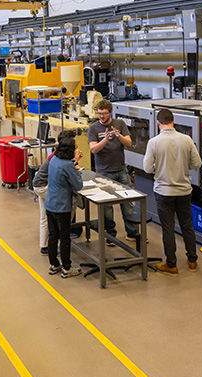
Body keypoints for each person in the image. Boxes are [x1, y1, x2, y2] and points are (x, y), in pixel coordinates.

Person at [143, 108, 202, 274]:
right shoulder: (186, 139)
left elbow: (147, 168)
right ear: (173, 121)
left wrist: (160, 168)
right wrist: (183, 166)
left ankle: (171, 263)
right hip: (184, 191)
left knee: (168, 228)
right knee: (187, 226)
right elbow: (197, 164)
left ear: (158, 123)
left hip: (163, 192)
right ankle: (192, 260)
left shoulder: (154, 142)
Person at [88, 99, 139, 240]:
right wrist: (105, 140)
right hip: (103, 172)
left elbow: (128, 143)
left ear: (110, 112)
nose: (101, 117)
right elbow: (93, 150)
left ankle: (132, 233)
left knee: (128, 203)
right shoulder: (93, 128)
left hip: (121, 170)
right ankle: (110, 234)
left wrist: (119, 136)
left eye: (104, 114)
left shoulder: (119, 124)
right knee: (106, 207)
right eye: (99, 114)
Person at [33, 130, 78, 256]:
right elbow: (69, 174)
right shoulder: (59, 157)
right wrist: (75, 160)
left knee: (44, 216)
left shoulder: (56, 154)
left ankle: (44, 246)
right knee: (70, 201)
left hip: (38, 184)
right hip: (43, 186)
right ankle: (65, 230)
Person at [45, 136, 84, 278]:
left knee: (53, 235)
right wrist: (77, 166)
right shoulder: (67, 165)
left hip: (50, 204)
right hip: (62, 207)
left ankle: (54, 265)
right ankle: (67, 268)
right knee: (65, 238)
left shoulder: (54, 159)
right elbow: (78, 185)